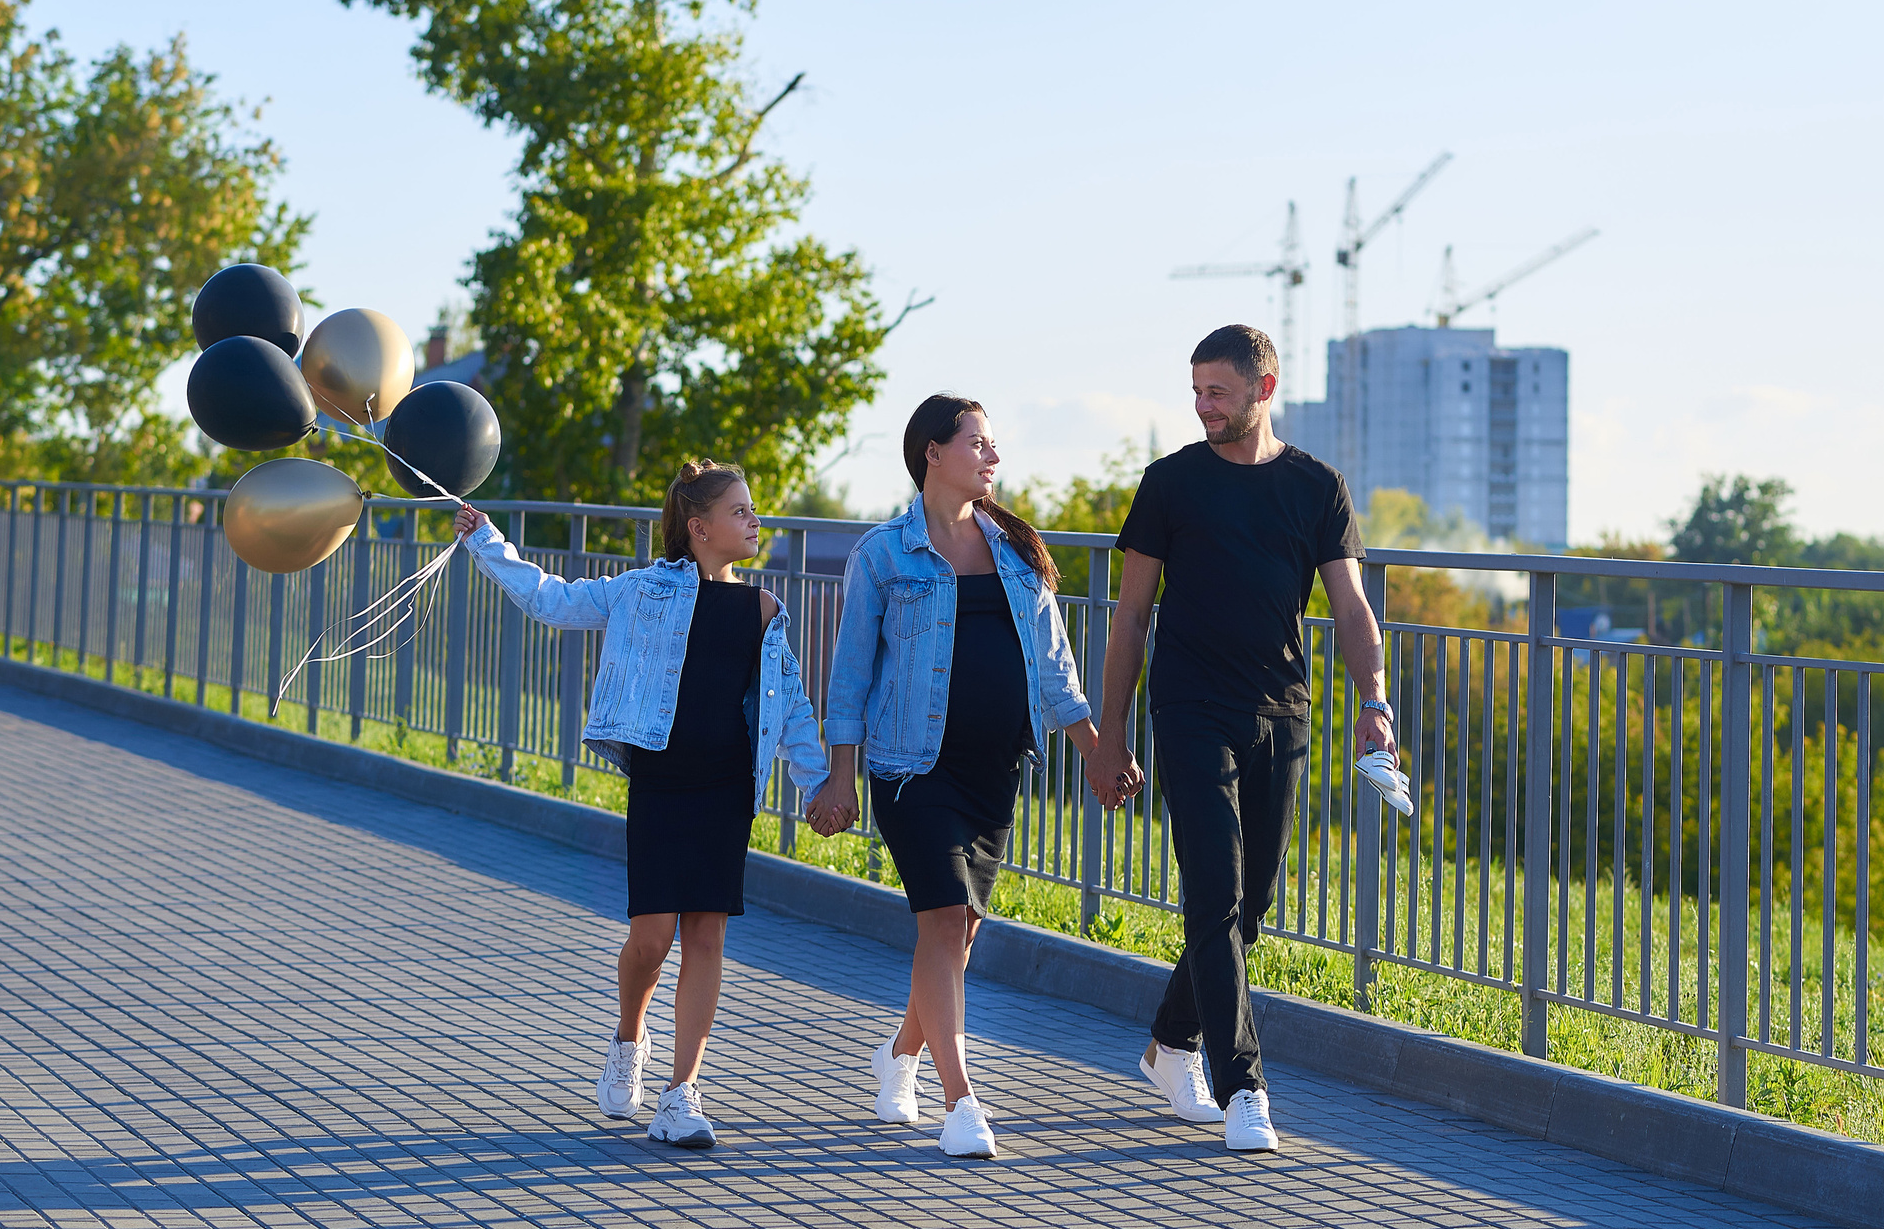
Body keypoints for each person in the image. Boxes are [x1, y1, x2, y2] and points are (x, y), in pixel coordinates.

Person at [452, 463, 826, 1151]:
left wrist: (821, 782)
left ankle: (682, 1093)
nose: (754, 521)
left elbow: (792, 704)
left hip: (726, 787)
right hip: (662, 780)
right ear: (700, 527)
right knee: (652, 938)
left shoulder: (764, 610)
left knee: (707, 934)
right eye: (740, 511)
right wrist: (487, 542)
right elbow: (554, 600)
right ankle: (629, 1035)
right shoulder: (641, 590)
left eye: (754, 510)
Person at [1085, 326, 1394, 1154]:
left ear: (1264, 388)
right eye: (1195, 390)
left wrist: (1376, 701)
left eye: (1217, 390)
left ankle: (1169, 1044)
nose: (1202, 405)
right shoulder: (1169, 484)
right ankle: (1244, 1086)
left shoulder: (1315, 486)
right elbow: (1129, 619)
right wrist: (1109, 734)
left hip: (1281, 713)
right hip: (1189, 710)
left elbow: (1353, 607)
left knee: (1248, 904)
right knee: (1212, 896)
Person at [806, 395, 1134, 1159]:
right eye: (978, 443)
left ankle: (900, 1054)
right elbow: (851, 676)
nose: (992, 457)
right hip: (909, 768)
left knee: (961, 931)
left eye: (994, 445)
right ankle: (962, 1100)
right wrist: (841, 776)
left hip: (995, 768)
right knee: (944, 918)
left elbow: (1054, 665)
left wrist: (1094, 746)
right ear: (933, 453)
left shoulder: (1016, 550)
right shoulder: (884, 553)